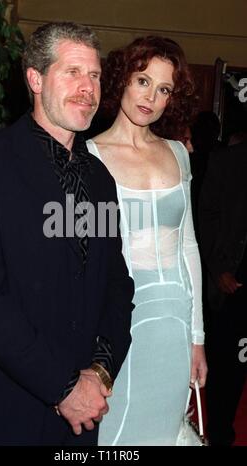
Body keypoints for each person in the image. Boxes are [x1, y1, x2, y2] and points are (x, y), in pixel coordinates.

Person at [0, 21, 134, 446]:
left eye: (95, 75)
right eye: (72, 72)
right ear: (35, 78)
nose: (87, 87)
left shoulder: (99, 178)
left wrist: (99, 372)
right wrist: (64, 386)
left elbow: (115, 285)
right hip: (1, 409)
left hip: (81, 417)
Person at [86, 35, 207, 445]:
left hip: (175, 321)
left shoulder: (177, 152)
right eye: (143, 81)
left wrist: (197, 338)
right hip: (121, 322)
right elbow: (86, 260)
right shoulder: (88, 157)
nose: (150, 97)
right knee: (115, 432)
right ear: (123, 78)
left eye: (164, 89)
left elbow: (188, 246)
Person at [199, 139, 247, 446]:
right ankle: (219, 435)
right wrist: (218, 271)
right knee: (228, 366)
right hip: (233, 283)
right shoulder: (226, 161)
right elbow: (205, 218)